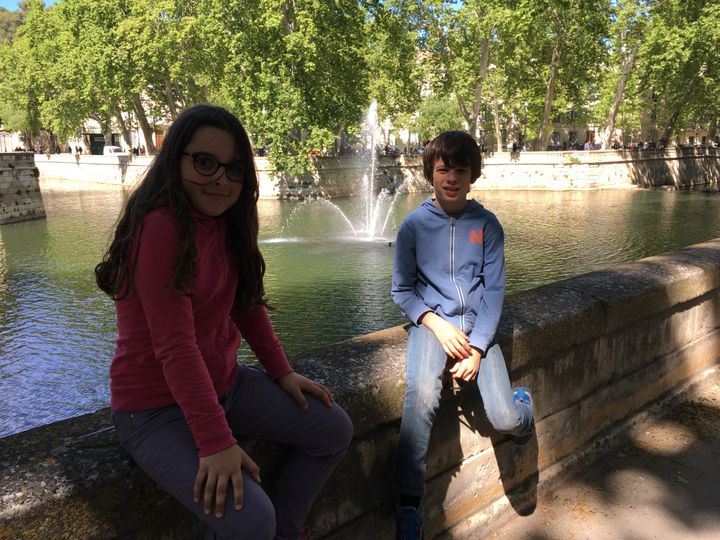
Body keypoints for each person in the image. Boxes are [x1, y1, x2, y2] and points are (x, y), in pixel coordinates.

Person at [95, 104, 352, 540]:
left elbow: (246, 305)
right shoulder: (160, 227)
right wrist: (215, 442)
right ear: (175, 160)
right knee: (250, 519)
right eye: (204, 162)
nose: (221, 179)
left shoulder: (226, 223)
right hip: (153, 409)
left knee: (332, 429)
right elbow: (175, 346)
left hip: (225, 385)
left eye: (234, 169)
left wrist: (282, 371)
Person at [391, 131, 534, 539]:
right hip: (432, 326)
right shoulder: (413, 226)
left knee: (504, 417)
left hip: (477, 332)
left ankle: (524, 411)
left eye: (459, 170)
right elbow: (401, 290)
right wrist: (433, 321)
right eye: (442, 169)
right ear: (430, 174)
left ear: (472, 176)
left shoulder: (486, 225)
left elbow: (493, 290)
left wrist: (476, 347)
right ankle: (408, 502)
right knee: (420, 392)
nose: (450, 178)